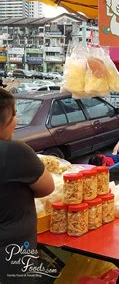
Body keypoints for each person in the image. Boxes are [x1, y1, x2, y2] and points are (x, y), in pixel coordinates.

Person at [0, 89, 55, 281]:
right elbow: (47, 187)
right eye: (14, 114)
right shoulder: (14, 151)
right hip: (11, 251)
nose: (16, 121)